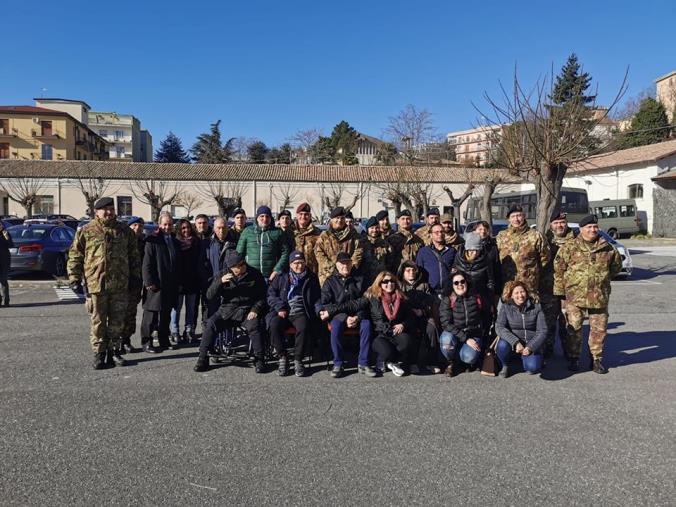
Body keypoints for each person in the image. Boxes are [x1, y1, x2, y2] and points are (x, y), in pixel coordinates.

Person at [67, 197, 141, 369]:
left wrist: (136, 277)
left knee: (117, 322)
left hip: (120, 285)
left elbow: (134, 255)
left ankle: (115, 352)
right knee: (98, 322)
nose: (109, 212)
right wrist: (74, 278)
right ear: (97, 211)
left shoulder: (124, 231)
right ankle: (99, 354)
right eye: (105, 209)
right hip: (96, 284)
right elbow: (75, 255)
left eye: (111, 209)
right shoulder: (86, 230)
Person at [554, 214, 622, 374]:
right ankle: (574, 358)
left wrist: (600, 280)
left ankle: (596, 360)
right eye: (589, 227)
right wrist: (560, 293)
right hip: (574, 297)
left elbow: (615, 268)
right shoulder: (570, 247)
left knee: (599, 330)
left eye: (595, 227)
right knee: (574, 328)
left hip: (599, 297)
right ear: (581, 229)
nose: (593, 230)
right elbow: (559, 269)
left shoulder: (607, 247)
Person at [193, 250, 268, 373]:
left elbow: (263, 296)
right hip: (227, 310)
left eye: (242, 264)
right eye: (237, 266)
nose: (241, 267)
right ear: (231, 267)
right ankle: (202, 358)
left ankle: (259, 359)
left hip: (247, 310)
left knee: (255, 326)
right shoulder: (223, 274)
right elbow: (209, 295)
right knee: (210, 324)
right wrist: (219, 282)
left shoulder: (255, 274)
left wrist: (256, 309)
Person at [266, 251, 321, 377]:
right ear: (290, 264)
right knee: (273, 325)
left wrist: (319, 309)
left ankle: (298, 359)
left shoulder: (311, 277)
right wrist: (280, 307)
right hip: (283, 310)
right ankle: (283, 357)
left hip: (301, 311)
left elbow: (317, 298)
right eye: (296, 263)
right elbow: (271, 295)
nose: (299, 266)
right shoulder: (281, 276)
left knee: (303, 327)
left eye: (301, 263)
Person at [318, 252, 374, 378]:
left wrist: (357, 317)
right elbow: (327, 305)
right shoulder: (330, 281)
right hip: (338, 316)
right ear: (337, 265)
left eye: (348, 263)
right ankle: (338, 363)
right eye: (342, 263)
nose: (345, 266)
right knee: (336, 327)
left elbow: (365, 301)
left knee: (367, 325)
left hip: (359, 314)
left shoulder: (361, 279)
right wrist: (345, 317)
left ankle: (363, 363)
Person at [363, 271, 417, 377]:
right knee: (387, 352)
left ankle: (391, 362)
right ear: (379, 283)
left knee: (407, 341)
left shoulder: (401, 298)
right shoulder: (372, 297)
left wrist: (403, 324)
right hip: (380, 334)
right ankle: (385, 360)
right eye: (385, 281)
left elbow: (411, 317)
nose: (389, 284)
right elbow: (357, 307)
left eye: (392, 281)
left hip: (396, 332)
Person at [539, 210, 577, 360]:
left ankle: (570, 353)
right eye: (556, 223)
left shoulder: (576, 240)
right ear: (550, 225)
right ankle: (547, 350)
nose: (560, 225)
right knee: (548, 322)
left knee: (568, 323)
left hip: (569, 290)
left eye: (562, 222)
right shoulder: (544, 240)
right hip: (547, 288)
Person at [141, 213, 181, 353]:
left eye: (170, 224)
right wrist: (149, 281)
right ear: (159, 225)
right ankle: (146, 342)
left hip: (170, 285)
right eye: (164, 224)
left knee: (166, 315)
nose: (167, 227)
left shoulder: (175, 242)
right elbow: (146, 263)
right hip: (155, 284)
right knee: (150, 316)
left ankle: (164, 340)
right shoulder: (152, 240)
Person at [438, 272, 490, 377]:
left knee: (469, 357)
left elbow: (486, 317)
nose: (459, 285)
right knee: (446, 340)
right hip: (454, 334)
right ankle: (450, 362)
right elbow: (445, 323)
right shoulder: (448, 299)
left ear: (467, 282)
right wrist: (465, 339)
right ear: (452, 285)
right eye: (456, 283)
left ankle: (461, 360)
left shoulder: (476, 297)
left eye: (462, 281)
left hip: (473, 334)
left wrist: (483, 336)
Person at [496, 205, 550, 300]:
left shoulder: (535, 235)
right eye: (513, 216)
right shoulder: (501, 236)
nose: (516, 219)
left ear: (524, 216)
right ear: (508, 219)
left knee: (530, 312)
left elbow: (545, 257)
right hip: (508, 284)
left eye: (519, 215)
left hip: (528, 285)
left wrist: (531, 272)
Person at [495, 280, 547, 377]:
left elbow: (542, 331)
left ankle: (531, 358)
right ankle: (505, 365)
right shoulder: (506, 307)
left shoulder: (536, 307)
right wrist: (515, 342)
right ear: (511, 295)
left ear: (526, 293)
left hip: (530, 343)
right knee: (502, 346)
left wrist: (530, 347)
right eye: (516, 293)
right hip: (513, 343)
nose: (520, 295)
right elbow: (499, 327)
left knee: (532, 368)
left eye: (522, 292)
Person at [398, 261, 438, 374]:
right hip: (406, 316)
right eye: (408, 270)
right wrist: (411, 311)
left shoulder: (424, 285)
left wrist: (423, 310)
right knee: (411, 329)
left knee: (432, 327)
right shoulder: (399, 285)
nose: (411, 273)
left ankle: (432, 362)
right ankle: (412, 363)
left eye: (413, 270)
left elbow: (430, 302)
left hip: (422, 315)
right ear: (403, 272)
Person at [453, 232, 495, 332]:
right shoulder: (458, 258)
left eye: (477, 250)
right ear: (466, 249)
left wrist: (488, 296)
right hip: (463, 296)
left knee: (484, 321)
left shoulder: (486, 259)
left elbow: (490, 280)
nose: (474, 253)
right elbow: (454, 277)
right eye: (471, 250)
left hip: (481, 295)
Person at [236, 205, 290, 282]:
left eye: (267, 216)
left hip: (271, 277)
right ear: (257, 218)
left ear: (270, 218)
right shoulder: (247, 232)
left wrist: (276, 270)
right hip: (251, 276)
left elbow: (285, 253)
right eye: (262, 216)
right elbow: (239, 254)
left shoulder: (278, 232)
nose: (264, 219)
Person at [170, 219, 201, 346]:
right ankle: (174, 331)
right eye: (183, 228)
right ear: (179, 229)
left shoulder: (196, 242)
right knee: (176, 308)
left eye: (188, 227)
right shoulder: (175, 242)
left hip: (192, 280)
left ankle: (188, 331)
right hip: (178, 280)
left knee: (191, 308)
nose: (186, 230)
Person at [315, 206, 364, 286]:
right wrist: (334, 269)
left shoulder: (353, 235)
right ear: (331, 220)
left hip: (348, 276)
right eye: (337, 218)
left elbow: (358, 251)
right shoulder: (324, 236)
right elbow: (319, 253)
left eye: (342, 218)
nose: (339, 220)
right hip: (328, 277)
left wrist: (349, 267)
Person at [120, 216, 146, 353]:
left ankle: (126, 341)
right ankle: (117, 342)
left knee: (131, 314)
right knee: (119, 314)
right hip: (122, 283)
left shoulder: (143, 242)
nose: (137, 228)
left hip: (136, 284)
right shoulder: (122, 241)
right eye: (134, 225)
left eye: (140, 226)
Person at [415, 223, 456, 296]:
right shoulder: (423, 252)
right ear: (431, 235)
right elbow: (418, 273)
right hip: (430, 293)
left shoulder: (452, 251)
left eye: (441, 231)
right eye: (436, 232)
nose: (439, 234)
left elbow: (456, 270)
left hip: (448, 293)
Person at [387, 209, 424, 273]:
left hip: (413, 273)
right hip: (398, 273)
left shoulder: (418, 239)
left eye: (408, 219)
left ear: (412, 221)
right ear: (398, 221)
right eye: (403, 219)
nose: (406, 221)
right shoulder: (392, 239)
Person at [361, 216, 392, 287]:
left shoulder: (386, 244)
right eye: (372, 228)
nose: (374, 230)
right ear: (367, 229)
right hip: (365, 281)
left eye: (376, 228)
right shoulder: (361, 244)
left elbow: (390, 263)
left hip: (381, 281)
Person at [474, 220, 502, 297]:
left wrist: (497, 290)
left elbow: (497, 269)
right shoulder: (467, 247)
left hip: (490, 287)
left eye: (485, 229)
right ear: (475, 231)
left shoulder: (493, 247)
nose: (483, 232)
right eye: (480, 229)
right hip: (474, 287)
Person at [292, 202, 321, 275]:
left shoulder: (318, 233)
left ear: (310, 216)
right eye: (301, 214)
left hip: (312, 273)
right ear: (296, 215)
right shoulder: (290, 231)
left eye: (306, 214)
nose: (303, 217)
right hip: (293, 273)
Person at [0, 220, 13, 307]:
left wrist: (7, 237)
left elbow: (11, 245)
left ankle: (6, 301)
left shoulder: (5, 233)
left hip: (4, 260)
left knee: (3, 280)